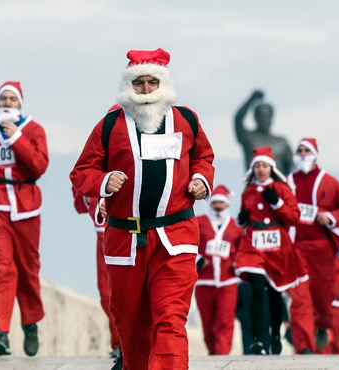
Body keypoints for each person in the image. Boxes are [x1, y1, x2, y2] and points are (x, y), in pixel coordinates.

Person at [70, 48, 215, 370]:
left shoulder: (186, 120)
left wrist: (202, 180)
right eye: (139, 83)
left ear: (164, 84)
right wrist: (104, 181)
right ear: (128, 86)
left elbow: (203, 157)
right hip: (126, 239)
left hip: (175, 235)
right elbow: (81, 173)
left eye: (152, 82)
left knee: (170, 317)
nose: (147, 90)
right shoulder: (109, 126)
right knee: (133, 328)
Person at [0, 81, 48, 356]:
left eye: (11, 99)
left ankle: (30, 323)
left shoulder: (34, 130)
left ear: (20, 103)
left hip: (27, 204)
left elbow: (39, 165)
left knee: (28, 268)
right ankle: (1, 333)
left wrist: (16, 138)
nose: (6, 103)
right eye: (2, 98)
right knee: (0, 268)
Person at [233, 146, 307, 355]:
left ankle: (275, 335)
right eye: (257, 166)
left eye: (264, 166)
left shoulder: (282, 189)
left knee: (275, 293)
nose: (260, 170)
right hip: (253, 245)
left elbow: (293, 218)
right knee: (256, 290)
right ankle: (257, 339)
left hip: (276, 246)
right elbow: (243, 216)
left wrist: (277, 203)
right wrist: (242, 220)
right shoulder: (247, 192)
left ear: (271, 168)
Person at [287, 138, 339, 350]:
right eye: (300, 151)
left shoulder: (330, 183)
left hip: (322, 247)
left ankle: (323, 325)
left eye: (307, 150)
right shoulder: (287, 182)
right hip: (296, 247)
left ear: (315, 154)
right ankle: (304, 346)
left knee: (324, 299)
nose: (303, 154)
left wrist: (332, 217)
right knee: (299, 299)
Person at [194, 185, 242, 355]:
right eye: (215, 203)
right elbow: (188, 244)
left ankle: (222, 356)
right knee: (207, 323)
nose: (218, 207)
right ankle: (213, 353)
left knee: (225, 321)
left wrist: (238, 262)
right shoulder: (199, 222)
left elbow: (242, 248)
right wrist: (198, 259)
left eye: (222, 203)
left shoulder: (236, 225)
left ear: (227, 204)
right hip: (204, 281)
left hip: (228, 281)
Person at [72, 190, 120, 358]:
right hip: (104, 233)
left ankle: (130, 342)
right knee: (106, 292)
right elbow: (79, 202)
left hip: (135, 229)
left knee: (134, 289)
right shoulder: (90, 162)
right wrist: (88, 196)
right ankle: (119, 342)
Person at [234, 90, 294, 175]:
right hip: (254, 186)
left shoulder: (282, 142)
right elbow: (238, 120)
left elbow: (292, 167)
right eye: (260, 116)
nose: (264, 119)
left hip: (278, 186)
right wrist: (251, 100)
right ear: (255, 118)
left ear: (271, 118)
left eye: (267, 116)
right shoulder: (248, 138)